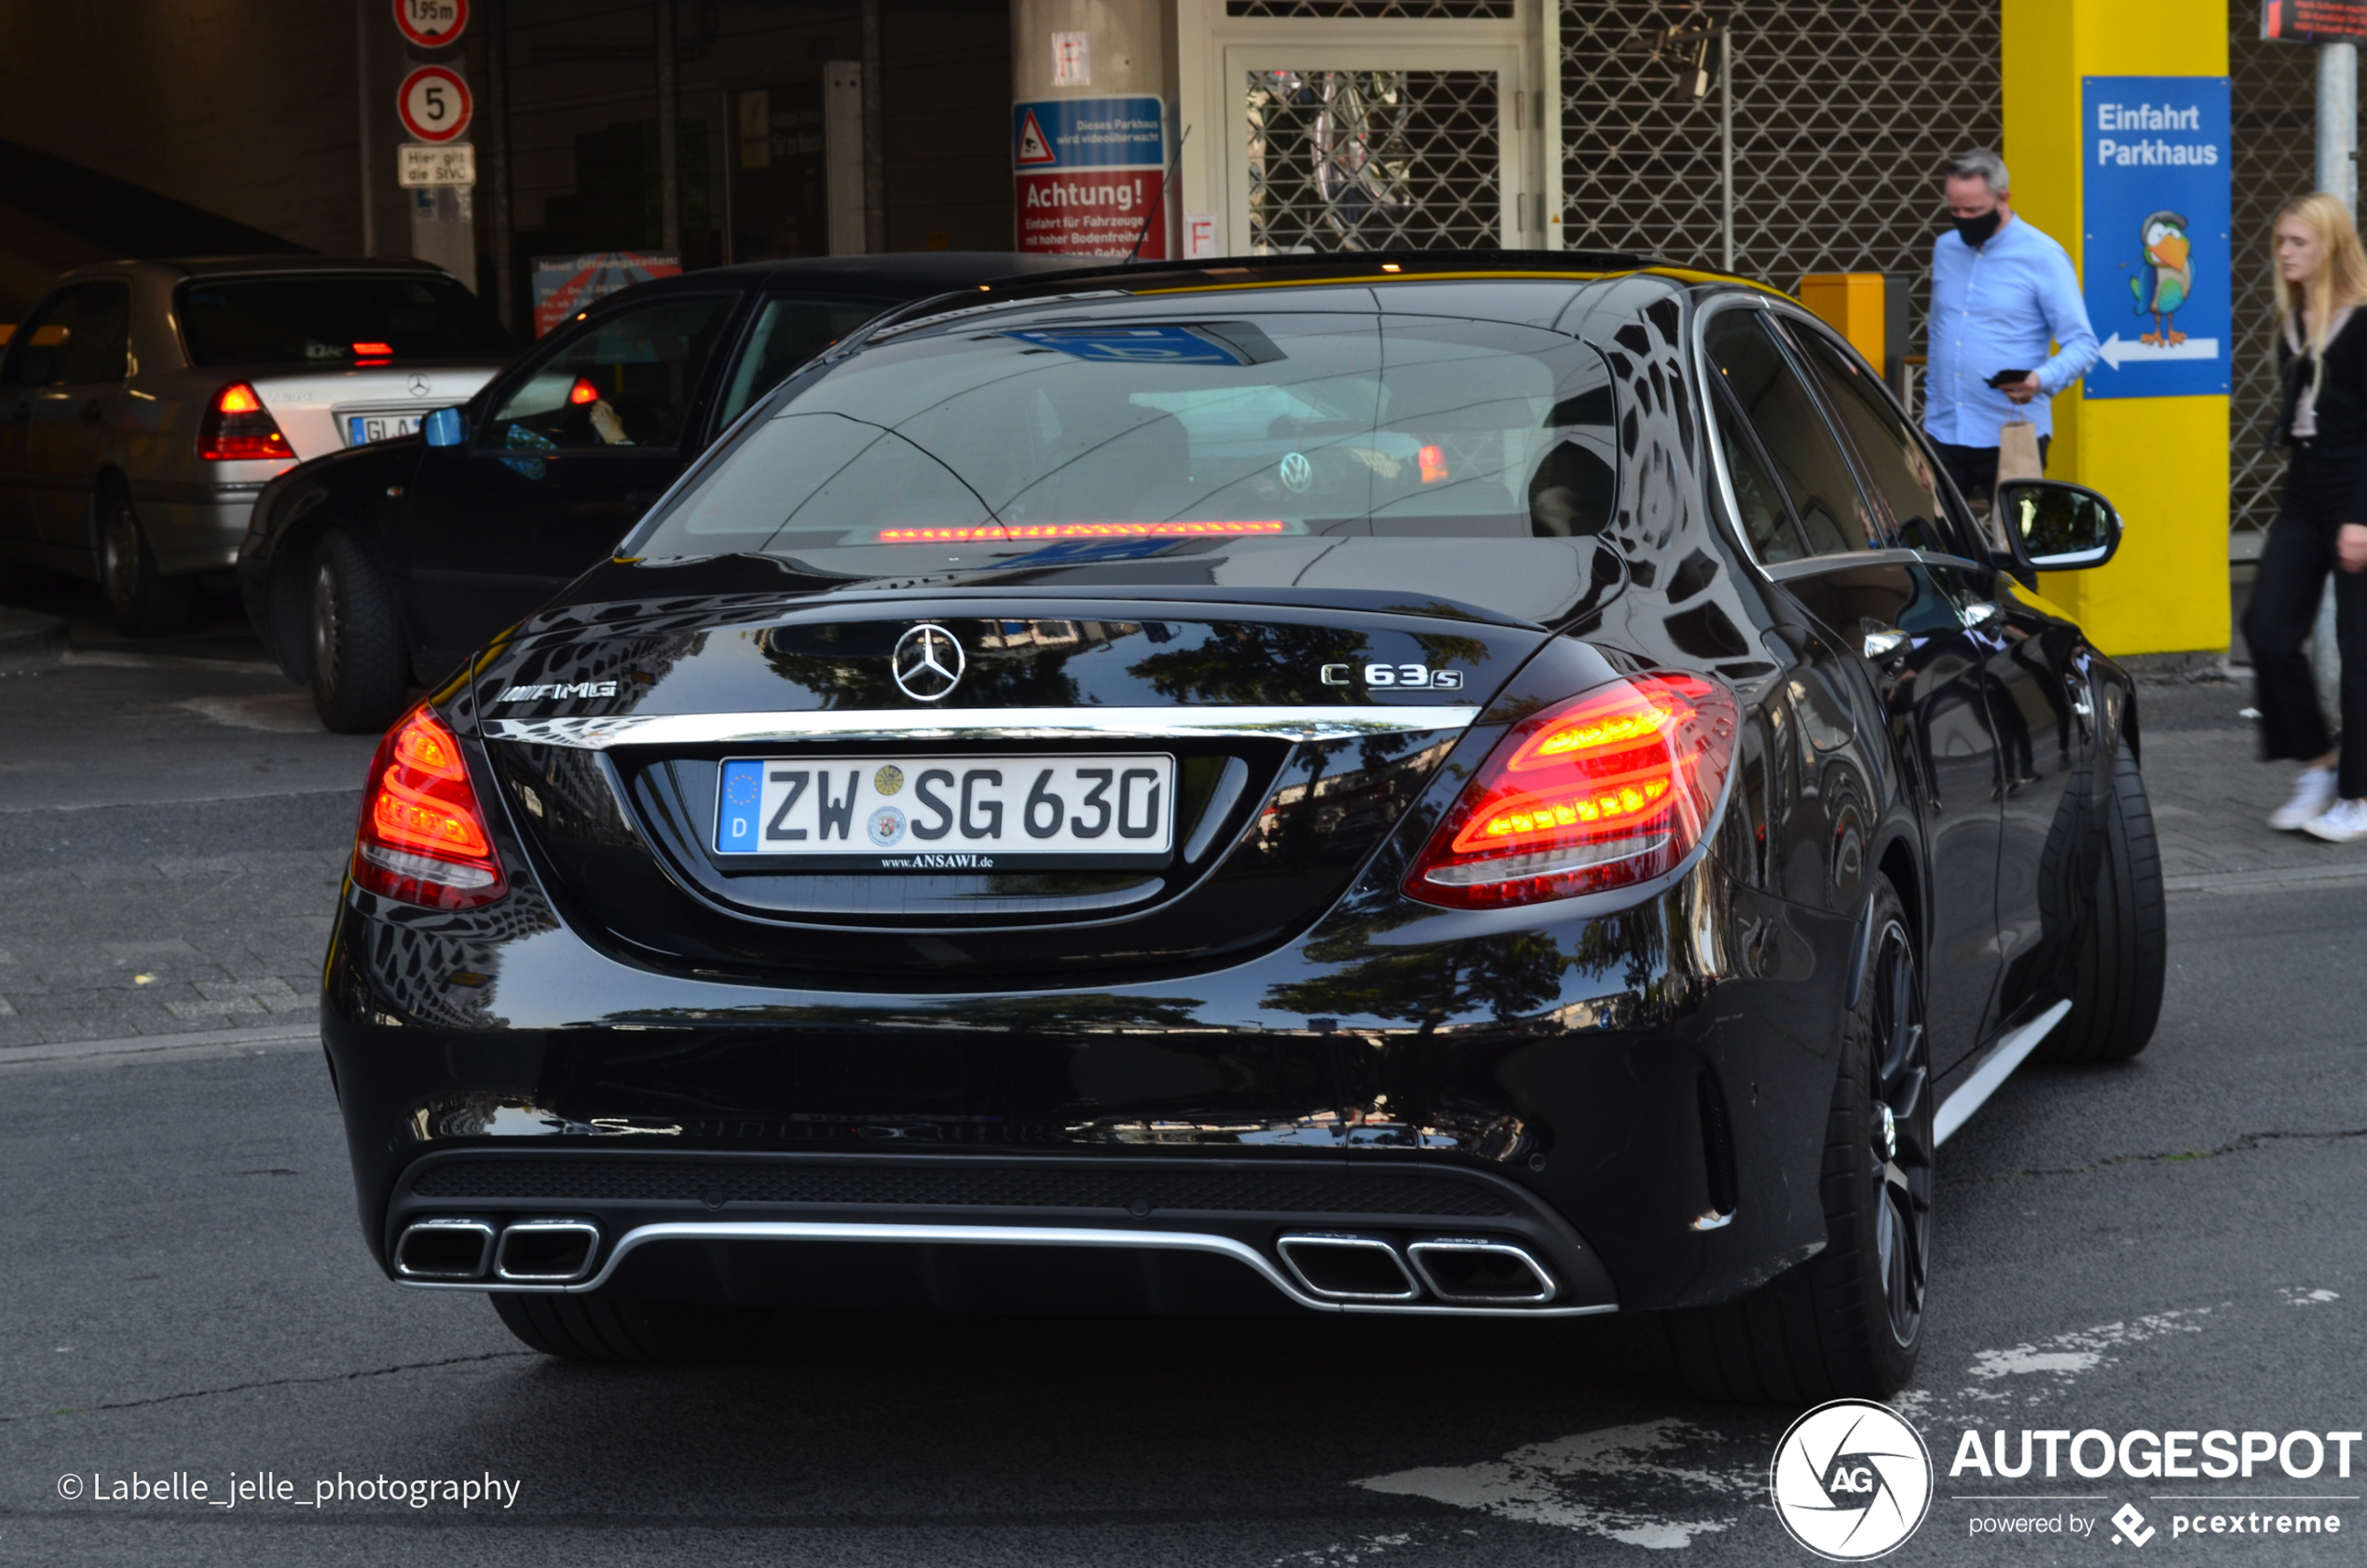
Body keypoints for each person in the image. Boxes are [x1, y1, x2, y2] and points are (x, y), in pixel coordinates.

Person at [2244, 191, 2367, 842]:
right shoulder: (2295, 320)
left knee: (2358, 647)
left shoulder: (2363, 321)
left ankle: (2358, 795)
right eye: (2282, 242)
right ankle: (2322, 762)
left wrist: (2362, 516)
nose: (2285, 253)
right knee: (2266, 628)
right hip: (2306, 492)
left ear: (2330, 246)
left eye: (2299, 243)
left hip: (2357, 495)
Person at [1922, 149, 2100, 516]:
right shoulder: (1946, 248)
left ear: (2003, 198)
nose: (1963, 219)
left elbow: (2083, 345)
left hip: (2012, 434)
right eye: (1954, 210)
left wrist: (2041, 378)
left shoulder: (2043, 256)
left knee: (2018, 550)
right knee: (1934, 544)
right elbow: (1939, 332)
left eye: (1973, 211)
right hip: (1943, 432)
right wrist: (1930, 410)